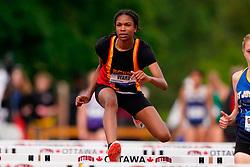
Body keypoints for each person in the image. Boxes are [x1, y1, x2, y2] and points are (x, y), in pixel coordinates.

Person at [75, 9, 171, 162]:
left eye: (127, 25)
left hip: (131, 93)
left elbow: (163, 84)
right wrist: (88, 93)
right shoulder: (104, 45)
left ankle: (135, 115)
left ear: (135, 28)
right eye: (119, 25)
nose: (123, 28)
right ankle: (113, 147)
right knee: (111, 101)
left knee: (164, 135)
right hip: (106, 88)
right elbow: (100, 68)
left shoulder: (143, 50)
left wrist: (148, 78)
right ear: (115, 28)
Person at [219, 34, 250, 164]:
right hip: (244, 136)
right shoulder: (237, 77)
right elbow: (237, 110)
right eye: (249, 51)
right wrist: (228, 119)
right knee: (240, 160)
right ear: (243, 52)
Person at [178, 69, 213, 142]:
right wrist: (181, 124)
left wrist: (211, 124)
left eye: (198, 76)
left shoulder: (206, 90)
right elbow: (182, 107)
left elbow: (209, 107)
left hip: (203, 119)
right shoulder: (185, 91)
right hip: (189, 119)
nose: (196, 78)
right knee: (190, 139)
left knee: (202, 140)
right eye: (194, 76)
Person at [77, 70, 105, 140]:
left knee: (102, 136)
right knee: (84, 135)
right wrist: (82, 130)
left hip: (102, 124)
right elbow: (81, 113)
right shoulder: (84, 93)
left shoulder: (105, 94)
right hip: (89, 123)